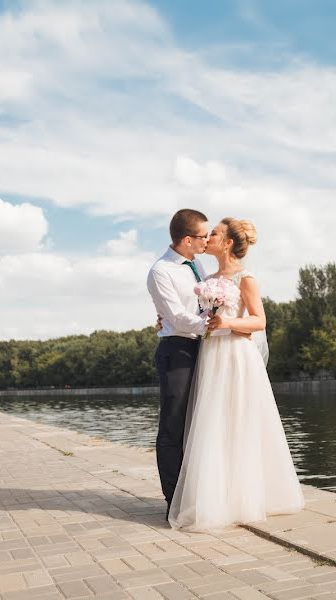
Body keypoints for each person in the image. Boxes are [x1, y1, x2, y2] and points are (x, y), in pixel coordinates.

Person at [168, 217, 305, 531]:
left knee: (239, 422)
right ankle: (219, 498)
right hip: (212, 355)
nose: (208, 237)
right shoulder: (208, 277)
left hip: (236, 357)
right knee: (214, 425)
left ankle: (247, 497)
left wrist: (227, 323)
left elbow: (259, 322)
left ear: (227, 242)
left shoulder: (246, 278)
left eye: (214, 233)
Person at [146, 209, 211, 517]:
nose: (207, 240)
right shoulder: (161, 271)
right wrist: (215, 326)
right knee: (173, 426)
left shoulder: (196, 264)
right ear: (188, 239)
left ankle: (197, 491)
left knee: (198, 423)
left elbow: (199, 307)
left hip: (203, 348)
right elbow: (178, 318)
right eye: (203, 236)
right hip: (177, 351)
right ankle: (174, 501)